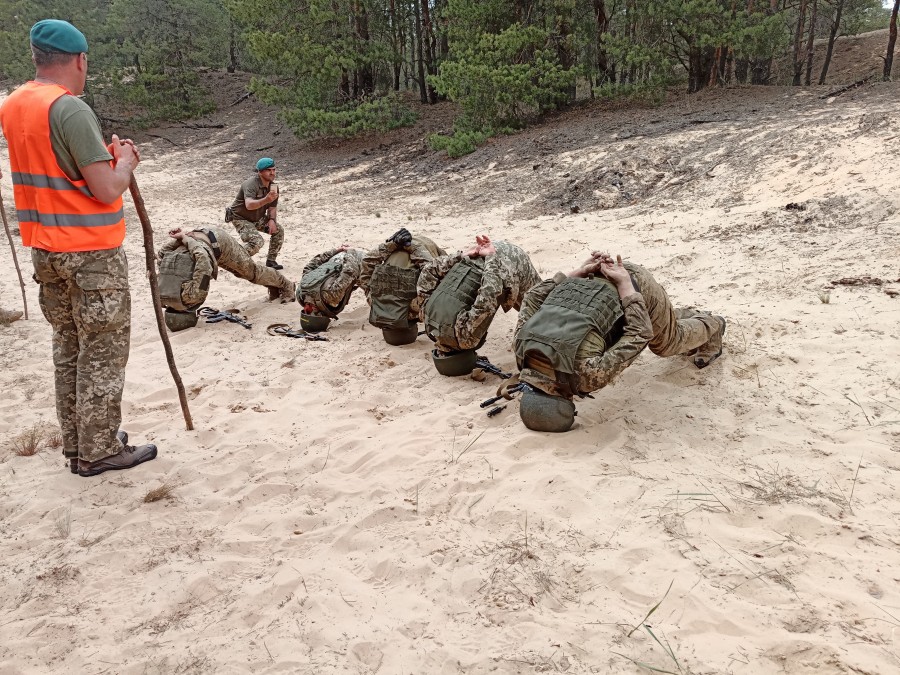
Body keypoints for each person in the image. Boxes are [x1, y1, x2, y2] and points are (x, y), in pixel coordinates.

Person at [0, 19, 157, 476]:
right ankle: (101, 448)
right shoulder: (69, 109)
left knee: (68, 345)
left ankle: (79, 442)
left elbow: (59, 167)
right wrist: (124, 162)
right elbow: (107, 188)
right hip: (89, 253)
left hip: (45, 250)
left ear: (35, 57)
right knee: (102, 349)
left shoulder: (14, 104)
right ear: (81, 60)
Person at [514, 252, 726, 432]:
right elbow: (532, 297)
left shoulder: (586, 376)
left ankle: (714, 325)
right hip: (588, 277)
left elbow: (641, 332)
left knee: (667, 343)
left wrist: (626, 285)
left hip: (634, 283)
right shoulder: (520, 348)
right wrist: (575, 275)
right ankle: (669, 316)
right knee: (652, 323)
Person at [418, 234, 540, 374]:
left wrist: (492, 257)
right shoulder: (426, 318)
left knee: (540, 308)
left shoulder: (465, 339)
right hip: (476, 256)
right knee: (534, 301)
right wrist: (462, 255)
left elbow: (490, 292)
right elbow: (428, 270)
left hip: (507, 260)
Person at [158, 225, 296, 330]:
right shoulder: (162, 295)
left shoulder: (191, 295)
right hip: (203, 240)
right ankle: (273, 285)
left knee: (251, 273)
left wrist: (186, 239)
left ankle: (287, 285)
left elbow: (203, 259)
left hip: (218, 242)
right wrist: (183, 239)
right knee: (243, 267)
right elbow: (162, 253)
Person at [359, 228, 445, 345]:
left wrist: (411, 246)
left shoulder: (417, 308)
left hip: (424, 246)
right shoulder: (373, 301)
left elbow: (432, 270)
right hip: (403, 245)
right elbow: (367, 261)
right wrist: (393, 243)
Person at [226, 157, 284, 269]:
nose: (272, 173)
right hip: (240, 218)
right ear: (260, 172)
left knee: (278, 230)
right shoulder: (250, 184)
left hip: (257, 217)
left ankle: (271, 261)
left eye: (274, 169)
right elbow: (249, 205)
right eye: (268, 170)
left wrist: (272, 220)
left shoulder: (273, 187)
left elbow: (272, 207)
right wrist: (266, 199)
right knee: (256, 241)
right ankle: (235, 260)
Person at [297, 244, 364, 332]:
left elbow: (350, 271)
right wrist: (336, 250)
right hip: (335, 257)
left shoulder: (331, 297)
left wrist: (351, 251)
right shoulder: (301, 292)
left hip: (355, 258)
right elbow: (311, 265)